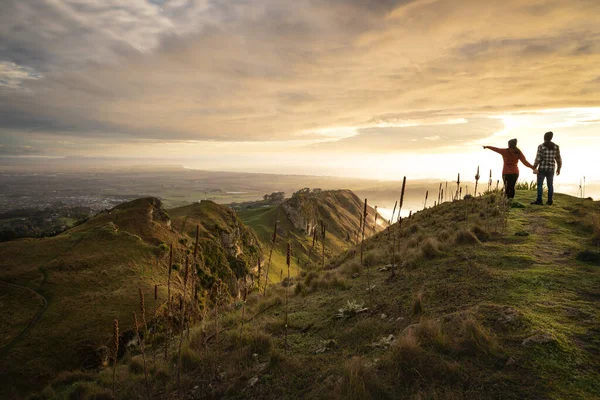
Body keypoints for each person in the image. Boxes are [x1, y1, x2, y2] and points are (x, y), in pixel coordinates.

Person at [531, 131, 562, 205]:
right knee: (550, 185)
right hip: (551, 169)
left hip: (542, 168)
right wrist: (558, 168)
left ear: (544, 137)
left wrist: (534, 167)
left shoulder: (541, 146)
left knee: (539, 185)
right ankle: (550, 201)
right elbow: (558, 159)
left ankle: (539, 200)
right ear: (551, 138)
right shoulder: (556, 147)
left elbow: (538, 158)